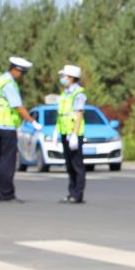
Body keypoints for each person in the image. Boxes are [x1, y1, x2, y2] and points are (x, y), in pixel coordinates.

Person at [0, 56, 39, 204]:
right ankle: (6, 193)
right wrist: (32, 121)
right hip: (6, 126)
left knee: (0, 161)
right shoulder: (9, 84)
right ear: (16, 70)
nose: (22, 77)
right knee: (8, 162)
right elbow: (18, 106)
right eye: (22, 73)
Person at [56, 65, 88, 205]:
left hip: (74, 134)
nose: (62, 79)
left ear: (71, 77)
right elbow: (62, 114)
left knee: (77, 165)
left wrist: (74, 134)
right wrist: (57, 131)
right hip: (65, 133)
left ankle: (78, 194)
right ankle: (71, 192)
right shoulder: (65, 93)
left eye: (64, 76)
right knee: (69, 165)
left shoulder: (78, 93)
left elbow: (79, 114)